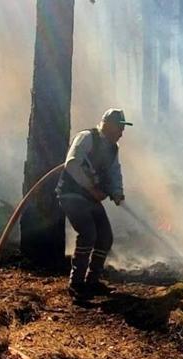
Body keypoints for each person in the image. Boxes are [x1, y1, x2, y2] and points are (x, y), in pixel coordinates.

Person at [55, 108, 132, 301]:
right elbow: (71, 164)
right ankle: (76, 284)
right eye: (119, 128)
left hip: (91, 198)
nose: (122, 133)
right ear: (107, 124)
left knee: (105, 237)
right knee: (88, 234)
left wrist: (117, 192)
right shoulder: (87, 138)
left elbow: (115, 172)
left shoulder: (113, 149)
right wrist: (91, 189)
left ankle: (92, 281)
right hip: (71, 194)